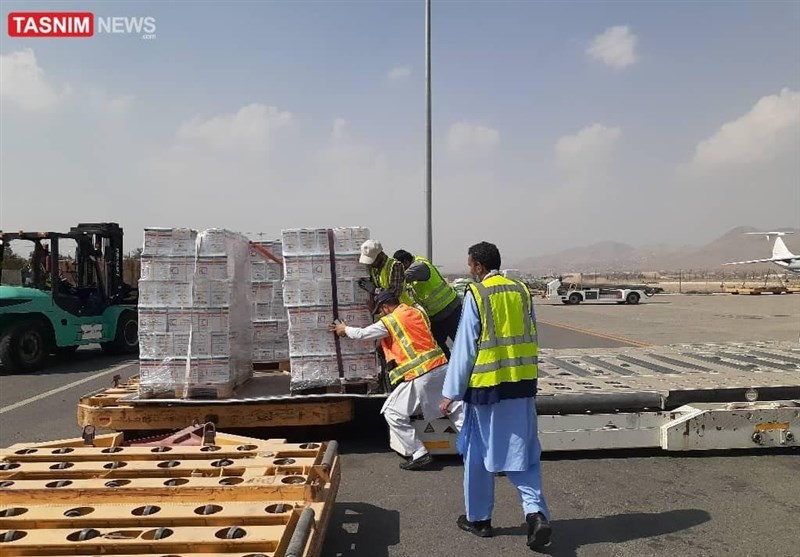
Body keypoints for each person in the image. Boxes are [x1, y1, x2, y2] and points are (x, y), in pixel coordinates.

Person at [439, 241, 552, 550]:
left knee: (478, 454)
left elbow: (465, 348)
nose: (469, 270)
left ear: (478, 267)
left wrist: (450, 392)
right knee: (524, 454)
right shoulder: (522, 291)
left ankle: (479, 519)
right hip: (522, 387)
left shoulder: (478, 294)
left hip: (488, 391)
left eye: (470, 265)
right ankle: (536, 513)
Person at [330, 290, 464, 470]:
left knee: (392, 412)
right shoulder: (416, 311)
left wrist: (344, 329)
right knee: (456, 412)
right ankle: (486, 455)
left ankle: (419, 453)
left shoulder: (391, 321)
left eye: (381, 311)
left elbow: (363, 334)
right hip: (440, 367)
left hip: (420, 374)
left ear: (385, 307)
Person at [393, 249, 462, 359]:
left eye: (400, 268)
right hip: (436, 316)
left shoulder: (418, 267)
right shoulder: (416, 266)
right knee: (436, 346)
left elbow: (399, 280)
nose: (399, 270)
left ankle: (471, 369)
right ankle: (448, 368)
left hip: (449, 310)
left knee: (461, 343)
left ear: (405, 262)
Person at [359, 240, 415, 308]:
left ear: (380, 255)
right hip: (387, 310)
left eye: (372, 261)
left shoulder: (395, 266)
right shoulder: (373, 268)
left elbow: (394, 293)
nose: (370, 264)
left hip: (401, 309)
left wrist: (374, 290)